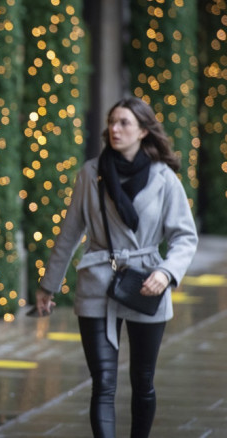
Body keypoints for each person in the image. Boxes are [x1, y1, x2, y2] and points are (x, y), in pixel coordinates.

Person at [35, 97, 198, 438]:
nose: (115, 128)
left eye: (124, 122)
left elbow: (185, 237)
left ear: (143, 130)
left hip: (147, 282)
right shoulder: (90, 174)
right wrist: (47, 287)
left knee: (143, 381)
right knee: (103, 383)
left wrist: (166, 273)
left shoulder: (164, 178)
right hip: (98, 281)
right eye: (112, 122)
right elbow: (69, 234)